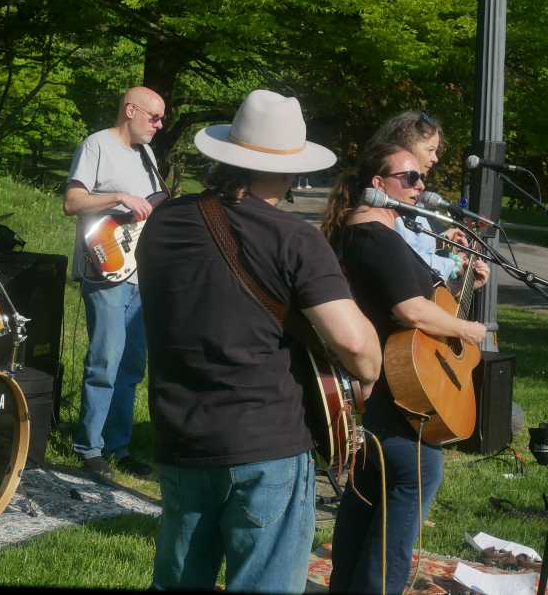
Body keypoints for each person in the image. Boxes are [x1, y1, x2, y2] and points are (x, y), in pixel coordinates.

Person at [137, 89, 382, 593]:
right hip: (264, 442)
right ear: (293, 171)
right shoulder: (294, 239)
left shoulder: (163, 222)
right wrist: (371, 374)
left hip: (181, 434)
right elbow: (356, 346)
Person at [321, 142, 490, 594]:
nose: (420, 186)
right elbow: (412, 310)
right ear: (379, 185)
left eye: (421, 178)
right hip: (392, 392)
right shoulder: (374, 237)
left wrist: (460, 275)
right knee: (413, 478)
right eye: (409, 178)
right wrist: (466, 329)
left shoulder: (374, 235)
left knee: (366, 495)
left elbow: (422, 299)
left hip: (384, 386)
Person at [62, 86, 167, 480]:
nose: (159, 124)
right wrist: (118, 197)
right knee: (105, 359)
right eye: (154, 117)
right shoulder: (97, 145)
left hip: (139, 273)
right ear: (130, 110)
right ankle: (88, 447)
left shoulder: (148, 155)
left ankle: (118, 447)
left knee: (130, 365)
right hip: (104, 268)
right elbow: (72, 202)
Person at [369, 111, 465, 283]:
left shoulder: (411, 198)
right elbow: (408, 263)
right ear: (406, 148)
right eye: (430, 150)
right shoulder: (388, 201)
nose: (435, 158)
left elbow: (415, 247)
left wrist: (441, 240)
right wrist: (452, 263)